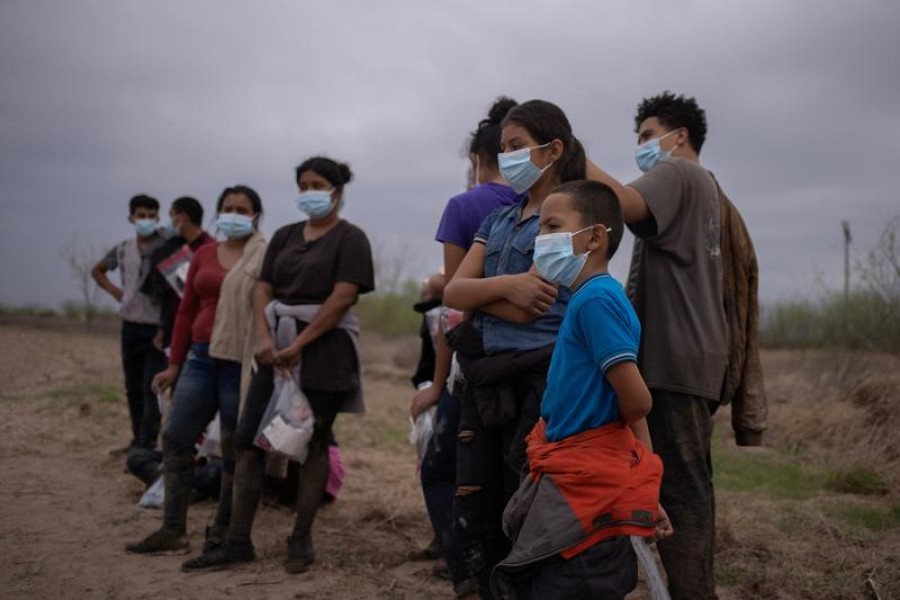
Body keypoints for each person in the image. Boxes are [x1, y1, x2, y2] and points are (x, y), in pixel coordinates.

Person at [587, 91, 766, 599]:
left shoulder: (680, 173)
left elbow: (623, 203)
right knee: (688, 488)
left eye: (647, 136)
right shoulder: (710, 190)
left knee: (680, 495)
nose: (642, 147)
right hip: (696, 359)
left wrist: (574, 155)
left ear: (679, 136)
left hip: (673, 360)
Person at [182, 156, 374, 574]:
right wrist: (265, 340)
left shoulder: (351, 239)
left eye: (317, 184)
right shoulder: (285, 236)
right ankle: (236, 540)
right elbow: (262, 289)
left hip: (325, 352)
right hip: (274, 351)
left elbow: (342, 298)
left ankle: (300, 539)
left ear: (337, 191)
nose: (309, 191)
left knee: (312, 443)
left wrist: (301, 343)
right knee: (247, 443)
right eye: (303, 184)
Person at [490, 180, 671, 599]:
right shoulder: (594, 297)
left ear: (594, 237)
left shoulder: (594, 301)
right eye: (540, 231)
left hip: (585, 481)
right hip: (579, 473)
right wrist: (645, 484)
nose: (541, 240)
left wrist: (603, 443)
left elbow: (638, 402)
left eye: (552, 226)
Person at [442, 99, 586, 599]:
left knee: (523, 507)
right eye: (502, 149)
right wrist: (508, 288)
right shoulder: (497, 221)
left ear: (553, 150)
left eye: (518, 147)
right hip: (485, 379)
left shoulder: (570, 220)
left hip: (543, 382)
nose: (507, 158)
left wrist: (487, 297)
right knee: (475, 505)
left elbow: (539, 307)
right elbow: (453, 294)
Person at [409, 96, 521, 600]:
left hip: (475, 367)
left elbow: (455, 307)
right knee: (512, 477)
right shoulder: (553, 203)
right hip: (536, 365)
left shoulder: (466, 206)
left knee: (440, 470)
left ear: (477, 160)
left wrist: (436, 384)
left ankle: (468, 579)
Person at [125, 185, 267, 555]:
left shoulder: (264, 257)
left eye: (242, 208)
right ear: (218, 213)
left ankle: (221, 529)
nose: (234, 213)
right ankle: (173, 529)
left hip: (240, 360)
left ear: (255, 215)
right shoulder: (203, 253)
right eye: (228, 207)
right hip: (200, 359)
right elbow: (186, 310)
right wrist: (174, 365)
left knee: (236, 447)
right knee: (175, 436)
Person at [92, 194, 167, 452]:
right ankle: (138, 440)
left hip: (157, 328)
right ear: (131, 218)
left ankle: (147, 445)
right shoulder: (123, 249)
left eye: (150, 215)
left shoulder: (166, 247)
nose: (146, 220)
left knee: (151, 388)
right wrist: (116, 292)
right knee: (133, 388)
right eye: (141, 215)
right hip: (131, 325)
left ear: (158, 218)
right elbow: (98, 270)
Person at [140, 196, 214, 352]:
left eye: (172, 216)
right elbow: (171, 293)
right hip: (176, 327)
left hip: (200, 330)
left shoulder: (209, 249)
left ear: (182, 218)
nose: (170, 222)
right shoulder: (174, 247)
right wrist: (163, 328)